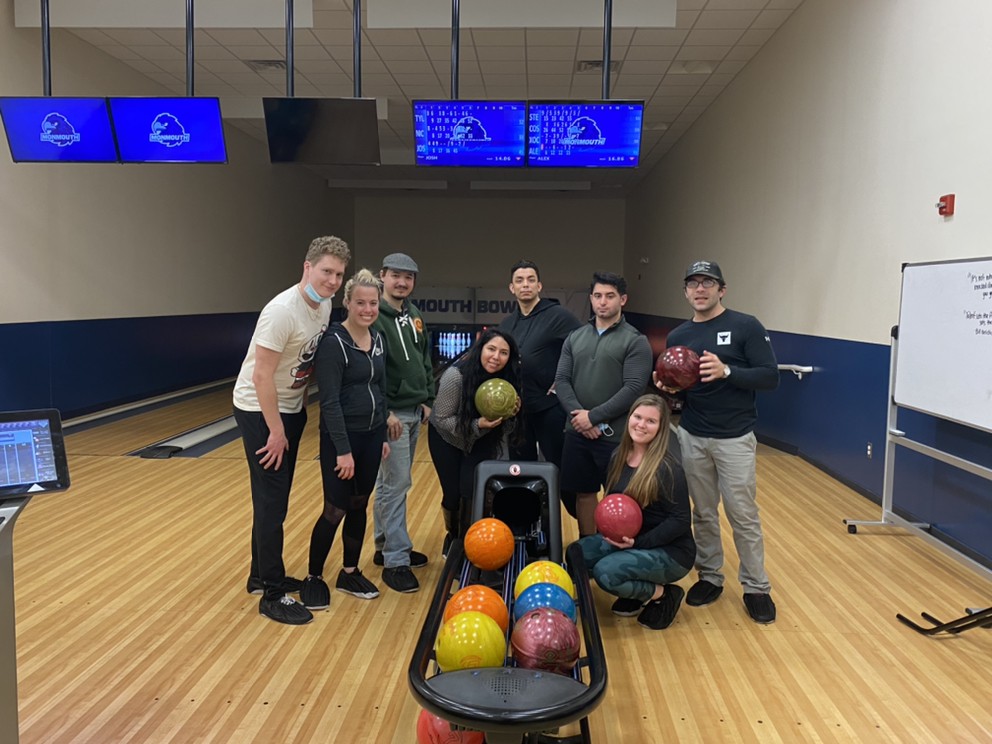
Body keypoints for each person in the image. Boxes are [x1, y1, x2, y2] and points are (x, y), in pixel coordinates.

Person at [233, 235, 350, 626]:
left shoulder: (324, 304)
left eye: (339, 274)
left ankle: (260, 575)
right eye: (326, 272)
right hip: (260, 411)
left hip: (290, 409)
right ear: (307, 267)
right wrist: (275, 430)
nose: (332, 281)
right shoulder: (282, 311)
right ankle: (271, 593)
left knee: (275, 497)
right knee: (272, 502)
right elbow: (261, 375)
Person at [658, 260, 780, 625]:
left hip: (735, 437)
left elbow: (770, 377)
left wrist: (728, 371)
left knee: (742, 513)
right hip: (693, 434)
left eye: (707, 282)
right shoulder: (678, 335)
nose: (700, 289)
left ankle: (756, 586)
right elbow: (684, 390)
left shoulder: (746, 326)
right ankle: (710, 576)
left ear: (721, 290)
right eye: (693, 283)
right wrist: (669, 389)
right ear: (685, 292)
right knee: (703, 512)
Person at [299, 269, 390, 610]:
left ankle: (349, 572)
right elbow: (330, 402)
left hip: (372, 436)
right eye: (361, 303)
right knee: (335, 508)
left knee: (358, 504)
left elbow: (381, 389)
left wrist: (382, 435)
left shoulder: (378, 339)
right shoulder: (334, 344)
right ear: (347, 303)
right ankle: (313, 576)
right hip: (342, 439)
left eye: (373, 303)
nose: (367, 309)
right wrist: (343, 451)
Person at [577, 394, 695, 630]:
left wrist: (638, 543)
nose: (641, 425)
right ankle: (636, 590)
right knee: (576, 554)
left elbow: (681, 520)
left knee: (605, 573)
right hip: (632, 540)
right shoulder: (618, 456)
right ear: (629, 418)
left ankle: (663, 594)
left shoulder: (668, 468)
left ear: (661, 428)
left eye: (651, 421)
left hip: (671, 552)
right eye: (637, 417)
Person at [554, 271, 652, 536]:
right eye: (597, 296)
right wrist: (581, 419)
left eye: (610, 296)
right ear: (591, 298)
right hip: (577, 432)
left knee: (619, 497)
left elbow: (633, 389)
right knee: (583, 494)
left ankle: (615, 547)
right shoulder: (575, 337)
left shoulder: (636, 341)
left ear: (623, 300)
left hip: (616, 436)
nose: (603, 302)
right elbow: (561, 381)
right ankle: (588, 545)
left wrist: (593, 417)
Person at [371, 252, 435, 594]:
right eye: (396, 275)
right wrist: (385, 412)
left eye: (408, 277)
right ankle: (396, 561)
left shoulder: (414, 314)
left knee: (389, 483)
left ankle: (383, 544)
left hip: (413, 409)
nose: (402, 282)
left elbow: (424, 357)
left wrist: (427, 398)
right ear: (382, 275)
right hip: (392, 415)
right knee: (397, 484)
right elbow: (371, 370)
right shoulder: (374, 316)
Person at [497, 260, 581, 515]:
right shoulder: (507, 324)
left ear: (539, 286)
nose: (525, 285)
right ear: (512, 288)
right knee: (521, 473)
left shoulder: (558, 316)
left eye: (530, 280)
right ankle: (528, 525)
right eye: (520, 280)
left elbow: (584, 347)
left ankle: (586, 528)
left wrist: (564, 380)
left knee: (564, 473)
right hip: (518, 412)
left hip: (551, 409)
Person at [428, 329, 521, 551]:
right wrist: (477, 424)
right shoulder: (455, 376)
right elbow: (442, 419)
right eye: (491, 349)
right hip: (447, 438)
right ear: (480, 349)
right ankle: (453, 536)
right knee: (453, 495)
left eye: (504, 353)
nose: (496, 357)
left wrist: (511, 414)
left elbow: (506, 427)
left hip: (481, 438)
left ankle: (470, 540)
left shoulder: (507, 381)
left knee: (473, 490)